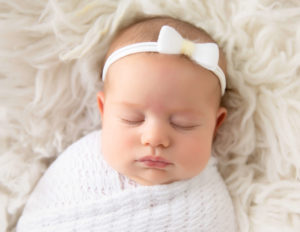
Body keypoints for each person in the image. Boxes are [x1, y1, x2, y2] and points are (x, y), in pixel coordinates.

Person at [17, 17, 237, 231]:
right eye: (133, 119)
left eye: (183, 124)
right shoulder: (77, 169)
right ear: (104, 111)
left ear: (215, 125)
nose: (155, 138)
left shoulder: (210, 203)